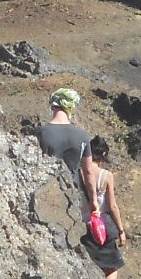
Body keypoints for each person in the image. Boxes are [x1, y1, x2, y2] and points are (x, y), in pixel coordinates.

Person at [37, 87, 98, 215]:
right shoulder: (83, 136)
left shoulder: (41, 132)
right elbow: (88, 171)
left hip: (45, 193)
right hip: (72, 194)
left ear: (53, 106)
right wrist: (93, 201)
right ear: (71, 107)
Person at [79, 135, 126, 279]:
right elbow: (112, 206)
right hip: (101, 226)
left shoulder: (78, 171)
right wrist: (121, 230)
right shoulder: (105, 175)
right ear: (104, 155)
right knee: (112, 268)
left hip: (81, 225)